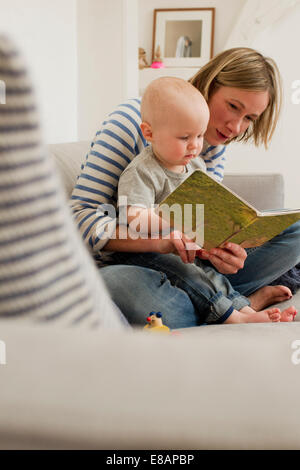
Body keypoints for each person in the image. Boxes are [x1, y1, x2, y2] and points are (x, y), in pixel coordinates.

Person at [70, 47, 300, 329]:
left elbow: (199, 223)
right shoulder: (130, 124)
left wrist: (225, 252)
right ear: (210, 84)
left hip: (187, 263)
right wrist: (159, 239)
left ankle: (225, 305)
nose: (235, 126)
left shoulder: (212, 146)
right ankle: (236, 305)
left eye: (249, 118)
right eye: (233, 106)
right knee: (166, 310)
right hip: (126, 263)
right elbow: (79, 219)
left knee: (296, 228)